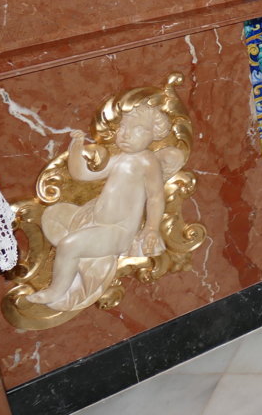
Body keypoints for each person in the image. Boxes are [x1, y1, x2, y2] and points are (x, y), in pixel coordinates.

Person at [26, 102, 183, 312]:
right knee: (56, 215)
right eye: (123, 127)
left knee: (69, 246)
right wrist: (76, 148)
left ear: (153, 134)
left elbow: (155, 197)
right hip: (94, 220)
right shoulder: (122, 158)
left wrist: (151, 228)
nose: (126, 134)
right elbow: (82, 175)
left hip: (117, 231)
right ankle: (76, 261)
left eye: (137, 129)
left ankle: (56, 290)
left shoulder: (148, 162)